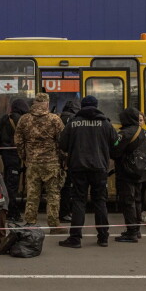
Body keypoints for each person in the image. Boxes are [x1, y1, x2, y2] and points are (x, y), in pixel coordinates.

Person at [58, 95, 119, 248]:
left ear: (82, 106)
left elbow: (62, 144)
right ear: (96, 106)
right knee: (100, 201)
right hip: (99, 168)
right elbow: (116, 142)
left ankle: (75, 238)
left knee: (79, 201)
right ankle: (103, 237)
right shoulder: (105, 123)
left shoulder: (73, 123)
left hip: (78, 167)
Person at [14, 92, 65, 234]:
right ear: (47, 104)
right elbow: (62, 141)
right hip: (51, 162)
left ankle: (30, 223)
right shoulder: (55, 119)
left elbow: (18, 141)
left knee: (32, 194)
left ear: (34, 103)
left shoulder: (24, 119)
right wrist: (62, 158)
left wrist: (24, 157)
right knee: (53, 194)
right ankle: (54, 225)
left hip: (32, 163)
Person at [112, 107, 146, 243]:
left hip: (126, 171)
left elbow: (115, 151)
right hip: (141, 170)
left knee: (128, 201)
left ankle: (131, 232)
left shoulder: (124, 133)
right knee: (138, 200)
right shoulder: (145, 133)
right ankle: (137, 229)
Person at [0, 98, 29, 222]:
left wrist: (2, 149)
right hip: (17, 157)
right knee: (12, 186)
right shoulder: (23, 120)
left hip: (6, 157)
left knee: (7, 185)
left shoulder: (4, 118)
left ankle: (6, 210)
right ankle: (12, 213)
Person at [58, 99, 81, 223]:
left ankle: (62, 211)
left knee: (60, 186)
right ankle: (65, 212)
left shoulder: (58, 118)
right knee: (68, 187)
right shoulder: (75, 120)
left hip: (57, 157)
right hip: (71, 158)